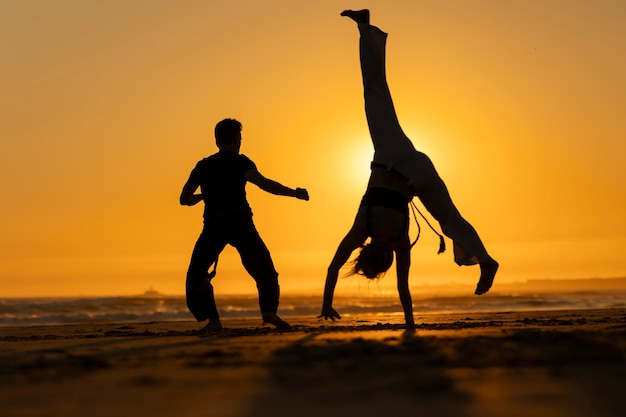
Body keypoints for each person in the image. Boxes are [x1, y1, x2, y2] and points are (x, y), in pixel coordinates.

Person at [319, 10, 499, 329]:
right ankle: (364, 27)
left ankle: (486, 260)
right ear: (365, 252)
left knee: (449, 219)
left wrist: (411, 325)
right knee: (375, 91)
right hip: (392, 153)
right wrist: (326, 302)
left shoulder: (400, 242)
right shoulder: (363, 230)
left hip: (418, 171)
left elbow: (403, 289)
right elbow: (333, 267)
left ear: (384, 260)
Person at [180, 118, 309, 331]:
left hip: (214, 224)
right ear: (235, 139)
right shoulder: (241, 162)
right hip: (239, 222)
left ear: (217, 140)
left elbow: (184, 199)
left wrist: (204, 196)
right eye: (239, 138)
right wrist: (294, 193)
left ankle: (213, 320)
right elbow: (266, 184)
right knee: (265, 270)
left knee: (197, 273)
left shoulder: (203, 166)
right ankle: (268, 312)